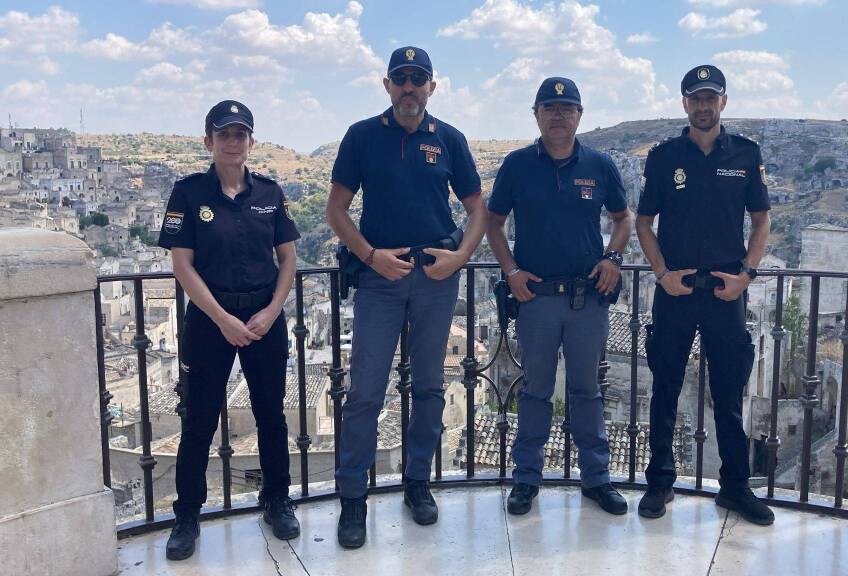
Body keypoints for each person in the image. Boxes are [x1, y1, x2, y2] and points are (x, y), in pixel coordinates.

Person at [325, 46, 486, 549]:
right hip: (380, 279)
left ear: (432, 87)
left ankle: (418, 483)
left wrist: (458, 259)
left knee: (431, 388)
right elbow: (336, 210)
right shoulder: (362, 136)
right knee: (366, 391)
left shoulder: (450, 140)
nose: (410, 87)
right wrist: (371, 256)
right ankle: (354, 495)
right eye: (402, 79)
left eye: (419, 79)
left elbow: (478, 210)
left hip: (436, 279)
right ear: (388, 85)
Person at [158, 100, 301, 561]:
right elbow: (182, 265)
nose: (233, 141)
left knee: (271, 415)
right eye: (224, 134)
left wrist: (272, 311)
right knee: (198, 419)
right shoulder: (187, 194)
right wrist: (223, 318)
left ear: (251, 142)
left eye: (241, 134)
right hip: (209, 320)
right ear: (208, 141)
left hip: (263, 319)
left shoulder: (271, 193)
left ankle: (277, 500)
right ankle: (187, 516)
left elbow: (289, 259)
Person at [487, 77, 634, 516]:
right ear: (536, 114)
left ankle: (597, 479)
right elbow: (494, 224)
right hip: (536, 298)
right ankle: (526, 480)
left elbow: (623, 220)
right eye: (549, 107)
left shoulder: (600, 164)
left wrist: (613, 258)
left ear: (580, 115)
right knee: (535, 391)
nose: (557, 114)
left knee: (587, 390)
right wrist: (510, 271)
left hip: (587, 298)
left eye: (566, 107)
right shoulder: (516, 165)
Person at [634, 65, 774, 525]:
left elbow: (761, 220)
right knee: (665, 388)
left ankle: (735, 487)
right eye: (696, 98)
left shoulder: (746, 155)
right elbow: (642, 222)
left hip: (725, 291)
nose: (703, 105)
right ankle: (660, 483)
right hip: (675, 291)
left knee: (729, 392)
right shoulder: (664, 156)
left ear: (723, 103)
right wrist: (660, 274)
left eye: (711, 97)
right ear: (685, 104)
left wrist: (747, 276)